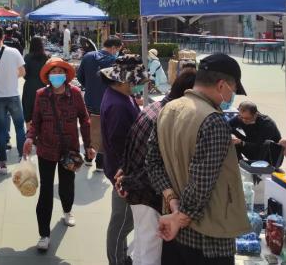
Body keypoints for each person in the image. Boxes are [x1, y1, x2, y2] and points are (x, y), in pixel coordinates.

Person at [146, 53, 250, 264]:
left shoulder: (168, 109)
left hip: (175, 232)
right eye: (233, 90)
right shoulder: (213, 121)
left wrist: (172, 202)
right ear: (221, 85)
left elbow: (152, 163)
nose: (232, 96)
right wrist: (181, 216)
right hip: (210, 239)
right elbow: (201, 183)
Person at [114, 71, 196, 265]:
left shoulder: (153, 107)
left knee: (142, 248)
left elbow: (130, 144)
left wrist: (125, 173)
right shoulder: (168, 116)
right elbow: (153, 163)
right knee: (151, 253)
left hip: (137, 189)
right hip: (148, 193)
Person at [23, 57, 93, 252]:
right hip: (46, 149)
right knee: (45, 191)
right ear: (47, 76)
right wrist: (29, 138)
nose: (56, 75)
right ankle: (44, 234)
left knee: (67, 184)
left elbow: (85, 119)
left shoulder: (75, 93)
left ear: (66, 75)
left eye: (60, 72)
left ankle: (67, 210)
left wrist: (89, 144)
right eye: (53, 72)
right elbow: (36, 121)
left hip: (69, 149)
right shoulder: (41, 95)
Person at [99, 55, 148, 265]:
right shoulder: (118, 106)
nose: (138, 85)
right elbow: (119, 145)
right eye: (135, 81)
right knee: (123, 222)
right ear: (122, 81)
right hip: (125, 174)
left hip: (121, 170)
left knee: (122, 220)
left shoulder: (119, 95)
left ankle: (120, 256)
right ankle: (117, 260)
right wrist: (126, 178)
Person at [0, 26, 26, 175]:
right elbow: (22, 72)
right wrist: (11, 77)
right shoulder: (14, 52)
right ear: (3, 37)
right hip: (13, 95)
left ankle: (2, 164)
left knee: (1, 130)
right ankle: (22, 159)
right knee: (20, 127)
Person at [77, 36, 122, 170]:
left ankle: (88, 157)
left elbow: (80, 77)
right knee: (104, 131)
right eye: (117, 50)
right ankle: (100, 162)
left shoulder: (87, 57)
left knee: (89, 129)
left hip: (90, 100)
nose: (116, 52)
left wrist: (90, 86)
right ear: (113, 48)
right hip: (107, 102)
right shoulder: (115, 61)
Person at [22, 36, 48, 124]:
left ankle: (29, 130)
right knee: (41, 110)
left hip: (29, 86)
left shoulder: (27, 57)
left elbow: (24, 74)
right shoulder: (45, 57)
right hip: (42, 85)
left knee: (28, 110)